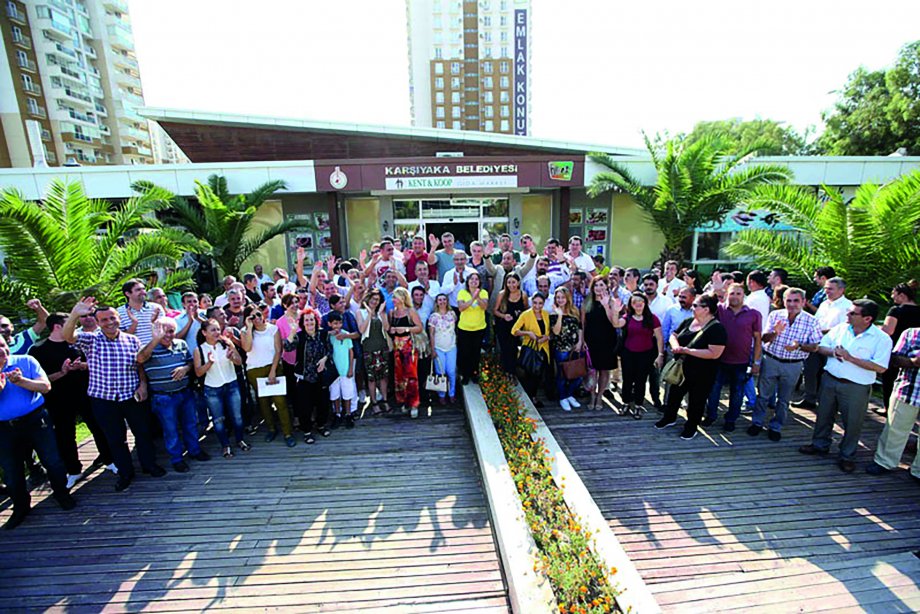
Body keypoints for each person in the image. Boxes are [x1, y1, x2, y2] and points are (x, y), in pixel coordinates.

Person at [64, 298, 166, 492]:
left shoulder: (132, 339)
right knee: (116, 439)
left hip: (131, 396)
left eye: (112, 318)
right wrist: (74, 314)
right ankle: (125, 472)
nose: (110, 322)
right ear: (98, 322)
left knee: (143, 433)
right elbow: (68, 336)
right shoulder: (91, 339)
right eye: (104, 320)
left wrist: (143, 384)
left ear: (119, 318)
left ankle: (149, 465)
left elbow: (140, 363)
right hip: (104, 400)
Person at [799, 299, 892, 473]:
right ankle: (820, 444)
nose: (847, 315)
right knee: (824, 415)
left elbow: (880, 367)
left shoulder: (881, 339)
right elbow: (822, 347)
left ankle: (847, 455)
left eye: (852, 313)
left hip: (856, 387)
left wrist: (851, 358)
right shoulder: (841, 328)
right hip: (830, 379)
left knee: (853, 422)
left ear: (867, 319)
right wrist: (833, 352)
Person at [28, 313, 114, 487]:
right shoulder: (38, 350)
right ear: (58, 326)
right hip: (58, 400)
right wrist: (62, 373)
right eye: (70, 324)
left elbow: (99, 365)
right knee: (65, 435)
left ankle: (109, 460)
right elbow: (41, 381)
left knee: (98, 427)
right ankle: (74, 470)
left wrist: (83, 366)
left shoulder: (79, 344)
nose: (74, 328)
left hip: (87, 395)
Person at [0, 335, 76, 530]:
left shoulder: (26, 360)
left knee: (52, 460)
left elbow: (46, 387)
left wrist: (21, 381)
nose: (2, 351)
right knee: (11, 469)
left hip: (35, 420)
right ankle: (21, 507)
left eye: (2, 345)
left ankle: (61, 494)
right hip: (4, 428)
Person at [748, 288, 825, 439]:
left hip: (793, 364)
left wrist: (799, 345)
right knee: (763, 395)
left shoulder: (812, 321)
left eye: (796, 300)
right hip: (771, 360)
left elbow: (815, 346)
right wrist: (775, 332)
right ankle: (757, 423)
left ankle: (776, 426)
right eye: (788, 300)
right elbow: (764, 339)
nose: (792, 304)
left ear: (803, 302)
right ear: (783, 301)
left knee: (784, 399)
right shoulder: (775, 315)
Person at [137, 318, 210, 473]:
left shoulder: (181, 344)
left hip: (185, 392)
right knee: (171, 430)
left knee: (190, 424)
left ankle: (195, 451)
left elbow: (190, 363)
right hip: (164, 397)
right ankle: (177, 459)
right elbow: (140, 358)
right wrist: (156, 339)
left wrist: (185, 368)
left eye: (171, 331)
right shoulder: (149, 348)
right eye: (163, 331)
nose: (168, 335)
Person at [655, 293, 727, 440]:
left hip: (703, 372)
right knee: (674, 395)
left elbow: (714, 353)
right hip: (681, 369)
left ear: (706, 309)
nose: (692, 307)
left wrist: (687, 351)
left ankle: (691, 426)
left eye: (695, 305)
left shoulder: (717, 329)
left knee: (696, 400)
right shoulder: (689, 321)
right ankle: (670, 418)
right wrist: (675, 346)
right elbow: (673, 335)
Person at [704, 283, 762, 431]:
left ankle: (731, 419)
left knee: (737, 393)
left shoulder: (754, 314)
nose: (735, 296)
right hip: (718, 359)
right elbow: (704, 303)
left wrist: (756, 362)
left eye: (738, 293)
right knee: (714, 390)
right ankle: (711, 416)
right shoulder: (719, 310)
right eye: (732, 293)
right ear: (726, 295)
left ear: (744, 295)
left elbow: (757, 340)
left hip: (741, 361)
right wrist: (714, 290)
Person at [866, 327, 920, 480]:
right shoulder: (911, 333)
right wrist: (914, 361)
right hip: (908, 391)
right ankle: (884, 462)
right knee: (895, 429)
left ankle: (918, 471)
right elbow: (894, 360)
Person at [240, 303, 295, 447]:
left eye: (258, 314)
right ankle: (271, 429)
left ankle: (287, 432)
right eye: (253, 316)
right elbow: (247, 348)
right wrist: (249, 328)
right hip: (254, 370)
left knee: (280, 402)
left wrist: (273, 370)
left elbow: (278, 350)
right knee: (263, 403)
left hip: (273, 367)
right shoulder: (244, 331)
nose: (257, 318)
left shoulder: (273, 329)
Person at [794, 276, 852, 410]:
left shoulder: (847, 306)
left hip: (833, 345)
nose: (827, 292)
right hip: (816, 343)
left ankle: (828, 402)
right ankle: (809, 398)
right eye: (826, 288)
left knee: (828, 374)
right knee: (810, 371)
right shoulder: (824, 303)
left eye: (831, 289)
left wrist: (821, 331)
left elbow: (843, 327)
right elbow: (816, 321)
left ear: (841, 290)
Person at [194, 318, 249, 458]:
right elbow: (198, 372)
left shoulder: (227, 343)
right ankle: (225, 445)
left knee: (237, 417)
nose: (217, 332)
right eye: (213, 330)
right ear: (204, 332)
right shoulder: (199, 349)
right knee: (218, 420)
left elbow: (240, 362)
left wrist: (232, 358)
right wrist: (209, 364)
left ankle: (240, 440)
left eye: (218, 329)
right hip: (212, 389)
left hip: (231, 384)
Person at [287, 308, 331, 444]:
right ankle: (307, 431)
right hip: (304, 376)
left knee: (323, 403)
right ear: (302, 322)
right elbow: (287, 347)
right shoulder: (299, 336)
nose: (309, 322)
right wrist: (292, 332)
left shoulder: (323, 333)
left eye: (312, 319)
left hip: (320, 375)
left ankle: (321, 426)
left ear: (316, 320)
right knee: (305, 406)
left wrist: (324, 359)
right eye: (306, 320)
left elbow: (330, 349)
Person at [617, 292, 663, 417]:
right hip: (628, 353)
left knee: (641, 380)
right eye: (634, 302)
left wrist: (660, 354)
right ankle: (625, 403)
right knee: (627, 380)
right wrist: (614, 311)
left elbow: (659, 337)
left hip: (646, 354)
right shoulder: (627, 317)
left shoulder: (652, 318)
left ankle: (638, 405)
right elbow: (615, 324)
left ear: (644, 303)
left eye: (640, 302)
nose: (638, 305)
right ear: (631, 305)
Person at [879, 280, 920, 413]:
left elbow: (888, 330)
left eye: (894, 293)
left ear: (902, 295)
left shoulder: (896, 310)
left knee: (890, 379)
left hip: (897, 348)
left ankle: (888, 408)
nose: (892, 296)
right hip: (915, 350)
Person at [582, 277, 621, 410]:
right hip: (591, 341)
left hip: (607, 340)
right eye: (596, 285)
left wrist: (606, 306)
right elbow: (583, 324)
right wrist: (583, 341)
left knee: (604, 370)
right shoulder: (587, 302)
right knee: (591, 371)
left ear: (606, 286)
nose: (599, 288)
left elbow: (613, 322)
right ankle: (592, 396)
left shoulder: (611, 302)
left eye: (601, 285)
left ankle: (600, 396)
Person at [388, 287, 424, 417]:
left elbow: (419, 328)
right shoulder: (392, 312)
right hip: (397, 346)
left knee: (411, 375)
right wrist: (392, 330)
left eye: (395, 297)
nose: (393, 300)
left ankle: (414, 404)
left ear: (402, 298)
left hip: (409, 346)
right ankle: (404, 402)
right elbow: (390, 328)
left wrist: (406, 329)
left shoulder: (410, 311)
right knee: (399, 376)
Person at [549, 287, 585, 412]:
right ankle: (563, 397)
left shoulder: (574, 310)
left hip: (575, 347)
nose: (560, 300)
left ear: (567, 298)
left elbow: (580, 327)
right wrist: (559, 315)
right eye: (558, 297)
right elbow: (556, 331)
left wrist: (580, 341)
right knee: (562, 375)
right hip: (561, 349)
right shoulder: (553, 313)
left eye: (562, 297)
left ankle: (569, 394)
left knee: (578, 375)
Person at [512, 293, 551, 407]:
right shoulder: (526, 315)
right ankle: (529, 398)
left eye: (540, 303)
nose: (537, 306)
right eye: (535, 303)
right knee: (529, 375)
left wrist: (546, 337)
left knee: (538, 375)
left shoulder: (546, 314)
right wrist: (528, 333)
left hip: (543, 348)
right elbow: (514, 331)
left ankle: (533, 396)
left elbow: (550, 331)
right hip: (530, 348)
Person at [357, 290, 391, 414]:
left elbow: (387, 328)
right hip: (369, 348)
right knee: (371, 378)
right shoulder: (360, 312)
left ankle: (385, 400)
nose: (374, 301)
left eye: (377, 299)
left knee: (383, 377)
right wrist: (369, 314)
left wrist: (381, 313)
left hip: (382, 347)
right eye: (372, 298)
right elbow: (361, 330)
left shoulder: (381, 312)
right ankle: (374, 402)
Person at [326, 311, 357, 428]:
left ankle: (348, 414)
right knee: (335, 394)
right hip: (333, 371)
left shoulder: (346, 334)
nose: (337, 326)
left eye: (339, 323)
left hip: (345, 370)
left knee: (347, 393)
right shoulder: (328, 336)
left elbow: (351, 351)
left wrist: (350, 369)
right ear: (329, 324)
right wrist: (330, 333)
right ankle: (337, 414)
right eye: (335, 323)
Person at [457, 272, 489, 385]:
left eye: (476, 279)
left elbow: (484, 307)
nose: (474, 281)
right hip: (464, 328)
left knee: (475, 353)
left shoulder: (484, 292)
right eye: (472, 279)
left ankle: (474, 374)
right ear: (468, 281)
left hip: (479, 328)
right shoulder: (462, 292)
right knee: (465, 352)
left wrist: (478, 297)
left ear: (480, 282)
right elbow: (461, 308)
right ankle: (465, 375)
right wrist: (472, 299)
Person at [494, 272, 529, 374]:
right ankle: (505, 372)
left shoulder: (523, 295)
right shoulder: (502, 294)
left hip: (516, 327)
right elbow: (495, 310)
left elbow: (526, 311)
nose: (511, 285)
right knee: (505, 350)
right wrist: (504, 316)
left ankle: (512, 372)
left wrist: (520, 314)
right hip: (503, 326)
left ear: (518, 283)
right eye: (508, 282)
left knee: (513, 350)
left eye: (513, 282)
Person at [429, 294, 458, 405]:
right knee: (440, 372)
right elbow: (431, 334)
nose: (442, 302)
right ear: (436, 302)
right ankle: (441, 395)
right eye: (440, 300)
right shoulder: (433, 317)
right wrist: (432, 349)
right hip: (438, 347)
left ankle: (452, 393)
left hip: (451, 347)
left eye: (444, 299)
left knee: (451, 371)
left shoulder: (452, 314)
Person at [118, 278, 165, 345]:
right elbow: (121, 339)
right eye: (138, 290)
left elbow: (164, 332)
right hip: (135, 352)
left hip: (156, 351)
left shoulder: (156, 308)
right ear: (128, 294)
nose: (143, 292)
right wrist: (134, 324)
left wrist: (154, 322)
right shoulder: (119, 312)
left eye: (143, 289)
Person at [275, 294, 301, 413]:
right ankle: (296, 415)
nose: (294, 305)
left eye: (296, 302)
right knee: (294, 389)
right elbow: (282, 344)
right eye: (291, 303)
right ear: (285, 305)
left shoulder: (304, 315)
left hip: (305, 357)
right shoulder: (280, 322)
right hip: (289, 360)